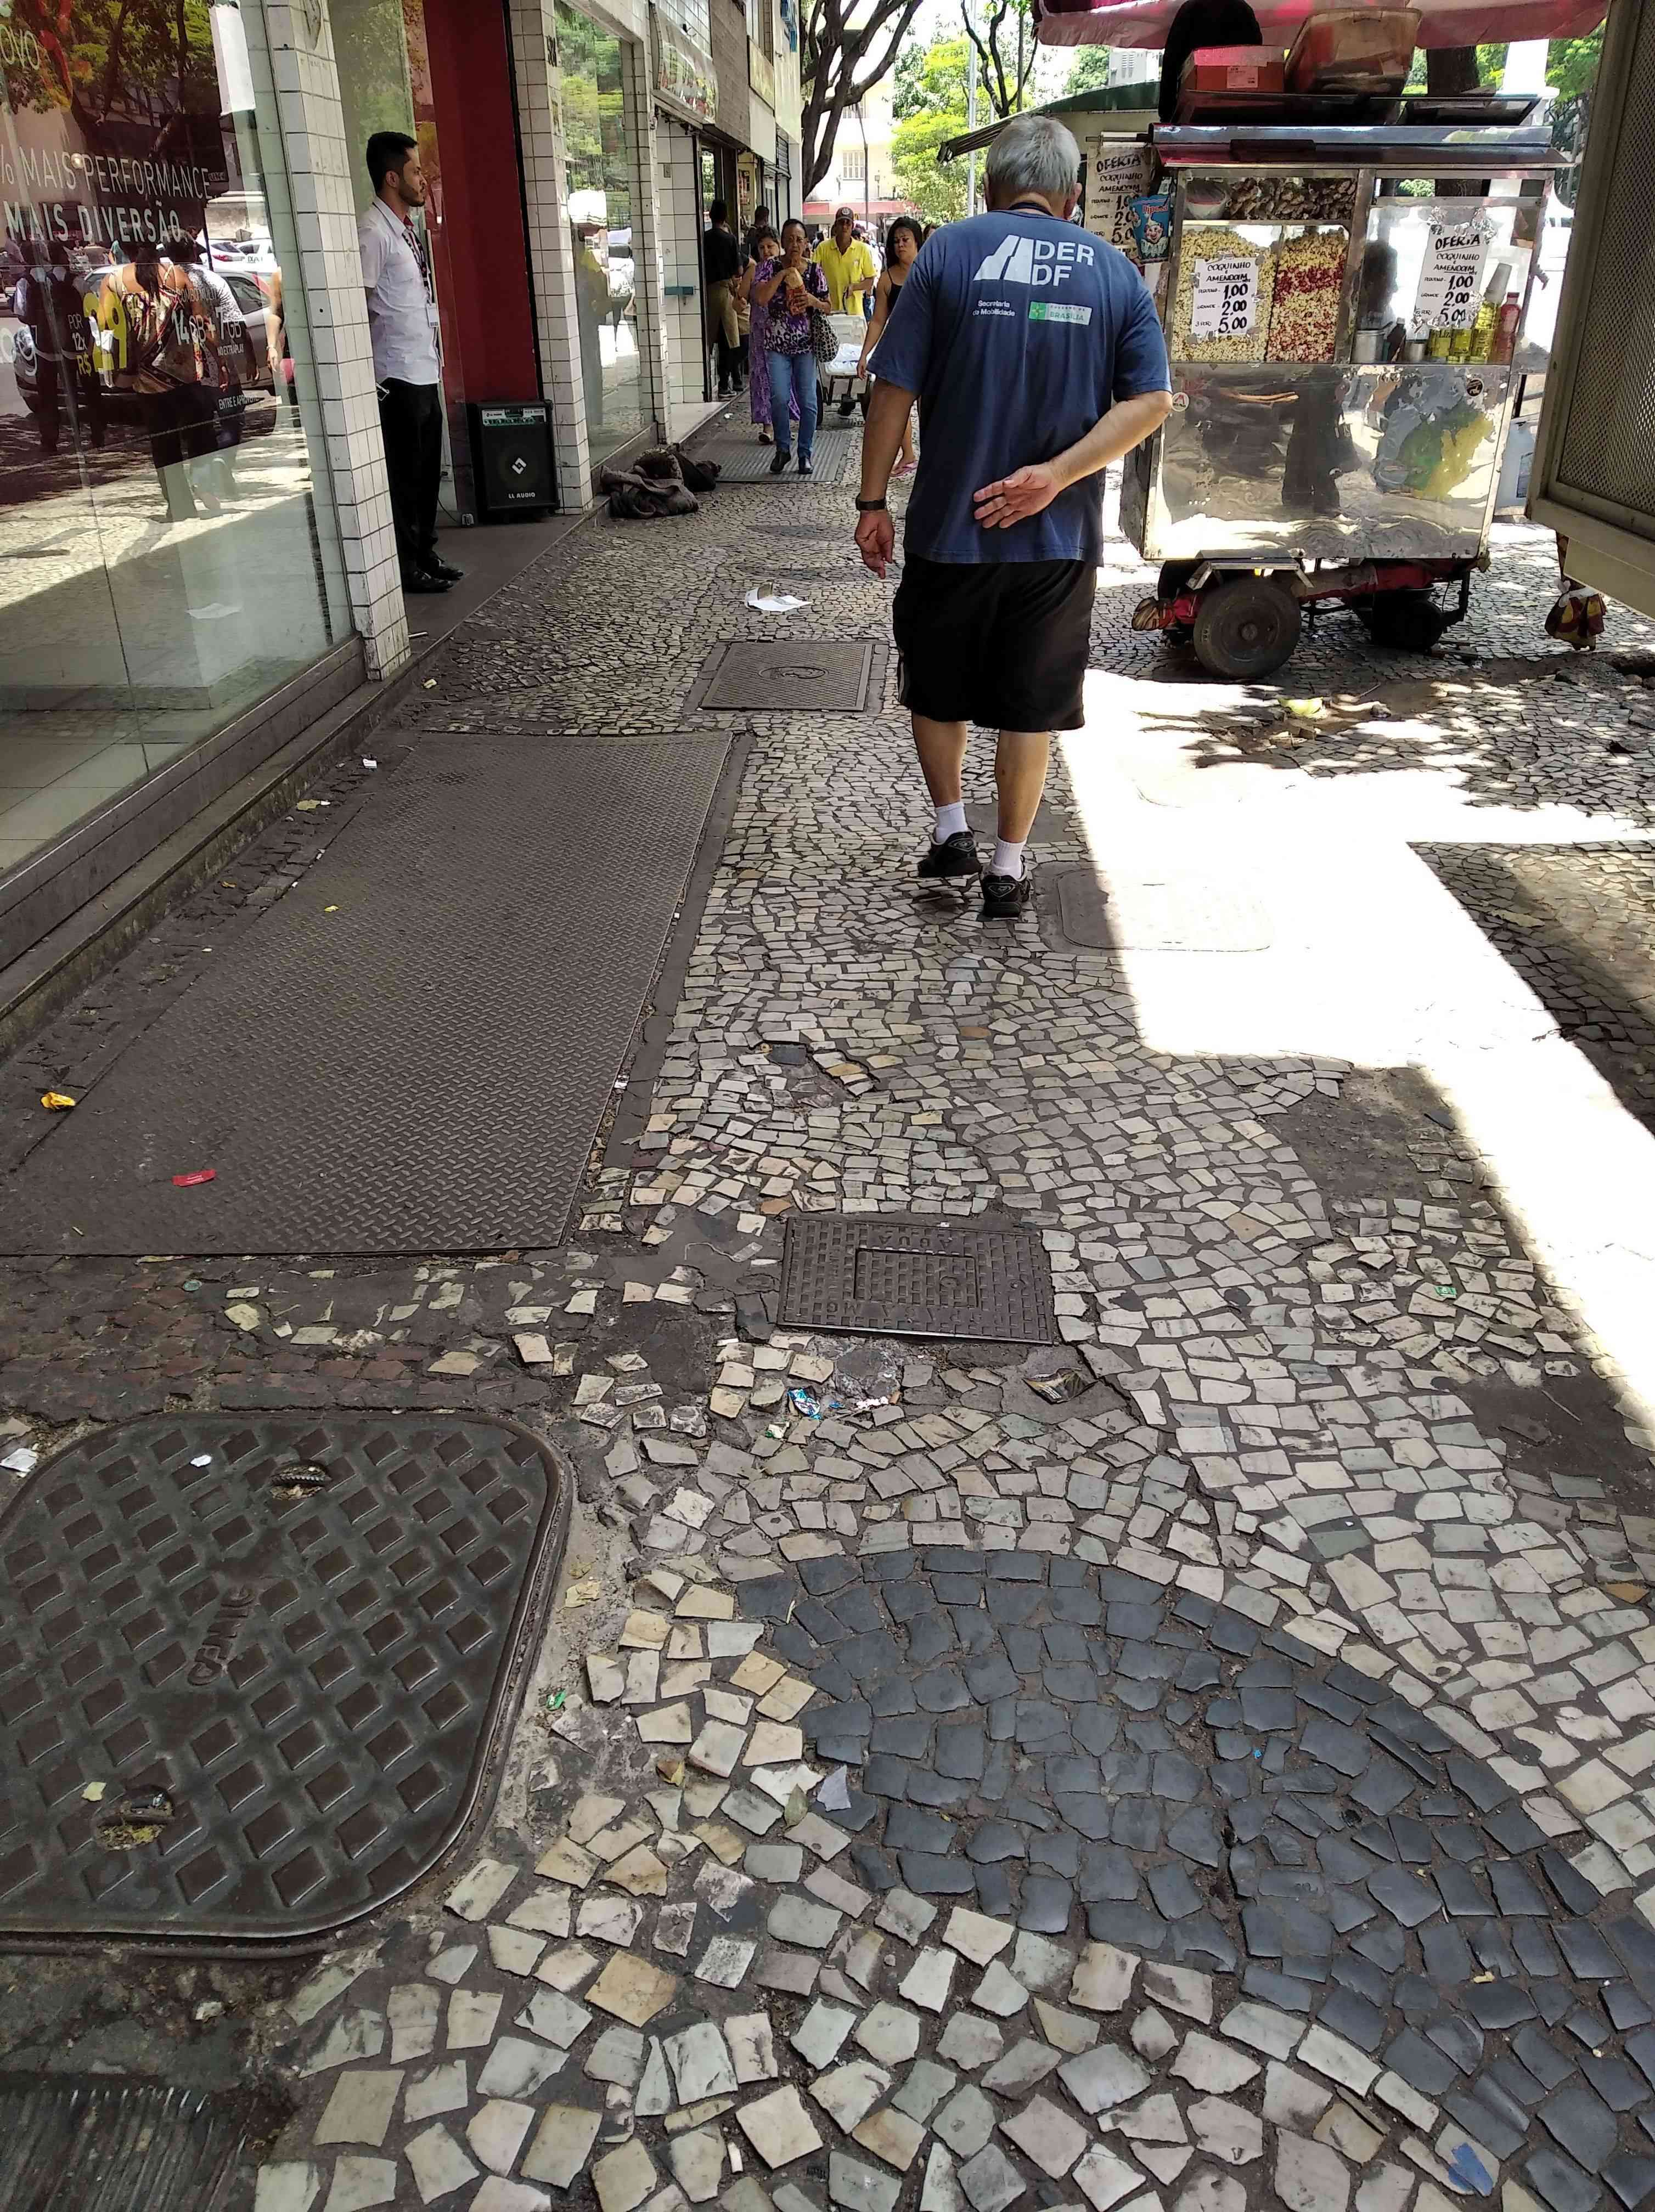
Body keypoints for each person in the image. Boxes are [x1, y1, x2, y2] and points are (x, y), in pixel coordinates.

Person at [853, 114, 1173, 918]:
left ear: (993, 188)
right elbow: (1151, 402)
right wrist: (1056, 477)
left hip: (948, 532)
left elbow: (892, 390)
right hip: (1057, 541)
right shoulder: (1114, 274)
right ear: (1071, 197)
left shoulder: (945, 256)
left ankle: (952, 832)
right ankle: (1006, 867)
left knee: (938, 689)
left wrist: (871, 502)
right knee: (1028, 707)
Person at [358, 129, 461, 595]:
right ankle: (406, 565)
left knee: (426, 473)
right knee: (404, 476)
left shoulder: (405, 230)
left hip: (423, 367)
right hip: (396, 375)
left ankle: (425, 552)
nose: (424, 179)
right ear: (392, 177)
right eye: (416, 171)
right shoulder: (373, 232)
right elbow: (359, 304)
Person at [752, 218, 829, 477]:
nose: (795, 244)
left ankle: (805, 453)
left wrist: (813, 301)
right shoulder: (769, 267)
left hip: (806, 347)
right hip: (776, 346)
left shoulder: (815, 271)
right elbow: (761, 298)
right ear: (782, 243)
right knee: (779, 398)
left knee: (809, 402)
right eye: (789, 239)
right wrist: (783, 274)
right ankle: (783, 448)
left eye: (799, 239)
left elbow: (828, 305)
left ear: (806, 243)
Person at [14, 241, 103, 456]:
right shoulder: (77, 282)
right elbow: (93, 310)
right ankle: (96, 434)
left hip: (46, 348)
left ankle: (50, 440)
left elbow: (22, 313)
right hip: (79, 347)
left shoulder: (29, 283)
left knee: (48, 396)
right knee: (89, 391)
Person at [858, 216, 922, 475]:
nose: (900, 245)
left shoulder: (931, 272)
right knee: (898, 405)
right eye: (896, 241)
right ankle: (908, 454)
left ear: (917, 242)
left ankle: (928, 456)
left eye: (905, 240)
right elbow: (877, 321)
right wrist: (864, 355)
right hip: (899, 351)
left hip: (929, 349)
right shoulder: (886, 279)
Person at [738, 227, 798, 445]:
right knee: (763, 378)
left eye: (770, 246)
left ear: (779, 247)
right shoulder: (753, 271)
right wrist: (740, 302)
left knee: (784, 379)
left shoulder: (787, 270)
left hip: (783, 334)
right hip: (760, 336)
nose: (766, 251)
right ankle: (768, 426)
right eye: (762, 247)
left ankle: (784, 425)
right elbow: (738, 301)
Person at [1157, 0, 1263, 120]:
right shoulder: (1244, 10)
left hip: (1195, 109)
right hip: (1239, 105)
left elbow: (1171, 62)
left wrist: (1166, 113)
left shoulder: (1191, 9)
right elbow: (1257, 56)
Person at [703, 198, 742, 399]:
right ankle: (726, 383)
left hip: (707, 294)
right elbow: (739, 270)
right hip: (726, 292)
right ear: (725, 217)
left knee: (711, 338)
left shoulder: (704, 238)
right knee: (730, 339)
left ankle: (714, 382)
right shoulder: (730, 239)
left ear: (710, 216)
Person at [813, 206, 877, 317]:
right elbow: (813, 275)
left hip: (854, 313)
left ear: (853, 226)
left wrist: (854, 287)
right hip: (829, 313)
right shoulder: (822, 248)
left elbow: (870, 280)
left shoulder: (862, 249)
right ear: (836, 226)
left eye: (848, 223)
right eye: (841, 223)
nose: (844, 226)